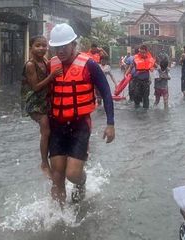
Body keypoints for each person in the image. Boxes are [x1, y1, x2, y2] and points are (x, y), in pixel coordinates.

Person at [47, 23, 115, 204]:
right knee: (57, 175)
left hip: (79, 125)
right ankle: (59, 218)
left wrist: (110, 124)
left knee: (72, 174)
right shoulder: (51, 65)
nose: (60, 51)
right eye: (56, 47)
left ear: (73, 45)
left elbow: (106, 93)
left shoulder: (89, 64)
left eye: (64, 46)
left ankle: (82, 182)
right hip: (57, 125)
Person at [21, 36, 62, 179]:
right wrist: (51, 76)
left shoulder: (45, 61)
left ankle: (55, 156)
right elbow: (36, 87)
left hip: (46, 100)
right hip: (34, 101)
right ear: (31, 47)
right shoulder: (30, 65)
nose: (42, 48)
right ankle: (44, 163)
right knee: (45, 128)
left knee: (51, 129)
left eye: (44, 46)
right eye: (38, 46)